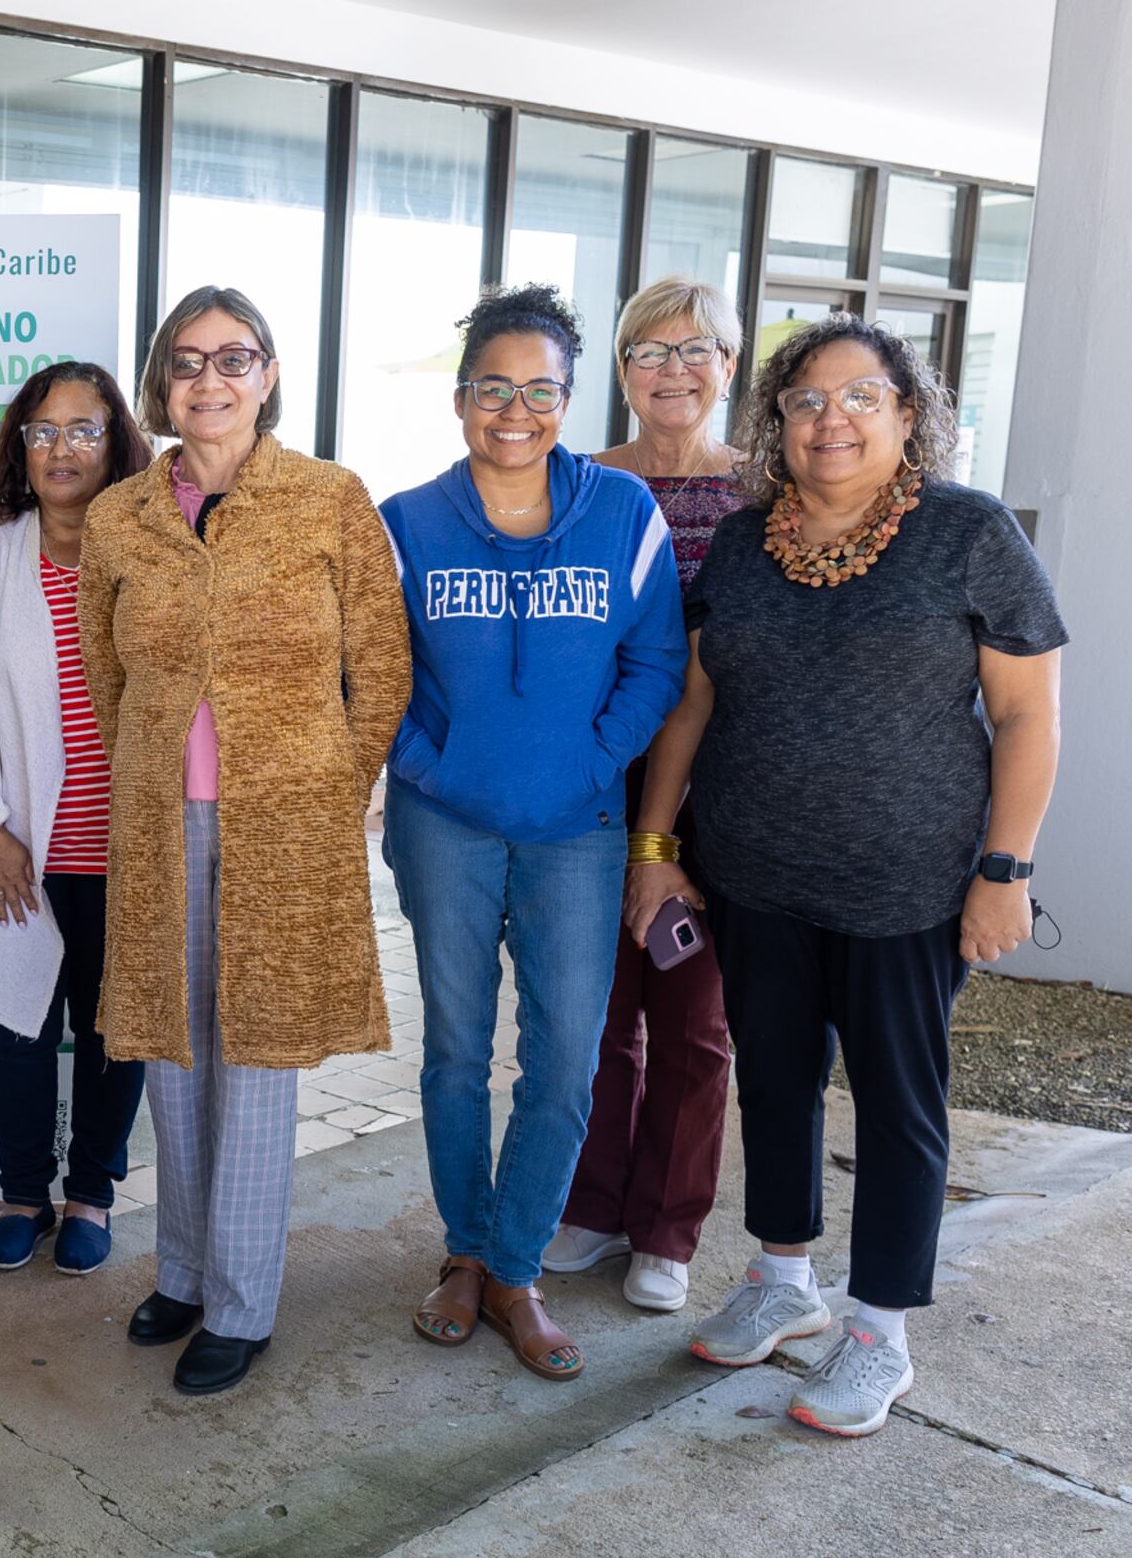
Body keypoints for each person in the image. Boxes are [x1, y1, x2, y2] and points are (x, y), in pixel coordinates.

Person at [627, 314, 1064, 1437]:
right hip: (754, 876)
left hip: (907, 888)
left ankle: (878, 1332)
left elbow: (1024, 715)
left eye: (861, 396)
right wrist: (658, 847)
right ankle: (784, 1276)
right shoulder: (742, 542)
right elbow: (693, 700)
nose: (831, 420)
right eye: (807, 399)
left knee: (897, 1104)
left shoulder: (965, 535)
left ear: (909, 412)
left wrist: (1003, 871)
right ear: (775, 418)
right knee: (771, 1080)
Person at [79, 287, 411, 1395]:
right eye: (185, 361)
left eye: (234, 358)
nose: (208, 381)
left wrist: (330, 786)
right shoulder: (123, 513)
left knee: (255, 1058)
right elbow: (103, 667)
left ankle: (240, 1299)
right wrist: (144, 769)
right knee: (174, 1052)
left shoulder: (326, 498)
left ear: (268, 373)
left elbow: (382, 660)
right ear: (158, 382)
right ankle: (178, 1269)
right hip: (158, 816)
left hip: (287, 821)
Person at [380, 284, 685, 1385]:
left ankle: (516, 1269)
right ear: (462, 396)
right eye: (492, 387)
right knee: (456, 1048)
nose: (515, 409)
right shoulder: (405, 522)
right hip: (441, 824)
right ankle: (463, 1251)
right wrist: (435, 764)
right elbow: (374, 677)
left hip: (578, 828)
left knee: (561, 1058)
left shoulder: (620, 514)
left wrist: (591, 757)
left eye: (540, 388)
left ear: (568, 394)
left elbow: (657, 662)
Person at [545, 277, 750, 1313]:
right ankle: (592, 1201)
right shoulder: (576, 483)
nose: (672, 370)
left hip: (726, 786)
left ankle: (667, 1227)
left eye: (695, 348)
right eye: (648, 351)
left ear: (728, 364)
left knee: (694, 1016)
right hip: (595, 773)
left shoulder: (769, 493)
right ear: (619, 371)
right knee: (595, 1008)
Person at [0, 362, 153, 1276]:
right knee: (17, 1032)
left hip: (126, 848)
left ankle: (91, 1196)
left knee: (112, 1031)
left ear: (117, 444)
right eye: (44, 430)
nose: (63, 448)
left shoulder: (147, 551)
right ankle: (24, 1195)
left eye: (84, 430)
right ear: (21, 445)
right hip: (18, 850)